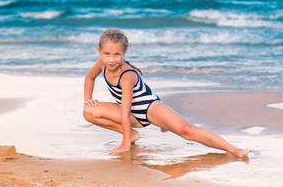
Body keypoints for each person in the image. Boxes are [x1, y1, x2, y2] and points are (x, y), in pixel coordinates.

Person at [83, 28, 249, 157]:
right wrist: (88, 99)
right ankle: (132, 135)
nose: (111, 59)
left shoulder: (127, 75)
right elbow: (89, 78)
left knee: (186, 131)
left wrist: (125, 145)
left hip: (150, 109)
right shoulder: (102, 64)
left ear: (124, 53)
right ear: (99, 51)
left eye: (116, 54)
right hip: (130, 114)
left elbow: (125, 113)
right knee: (89, 111)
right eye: (107, 54)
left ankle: (234, 149)